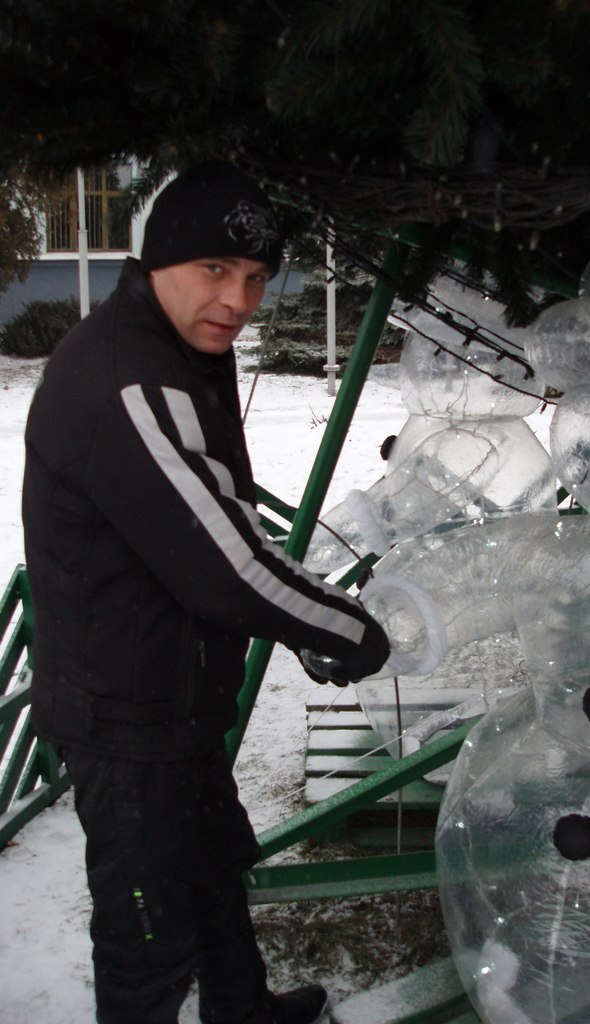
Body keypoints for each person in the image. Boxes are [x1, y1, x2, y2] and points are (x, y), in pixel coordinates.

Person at [22, 161, 390, 1024]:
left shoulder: (174, 347)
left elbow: (216, 511)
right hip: (124, 716)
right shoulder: (128, 379)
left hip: (169, 699)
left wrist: (303, 624)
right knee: (147, 940)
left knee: (212, 878)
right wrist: (348, 629)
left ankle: (242, 1012)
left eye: (257, 278)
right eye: (215, 270)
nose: (238, 299)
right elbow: (220, 563)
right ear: (159, 261)